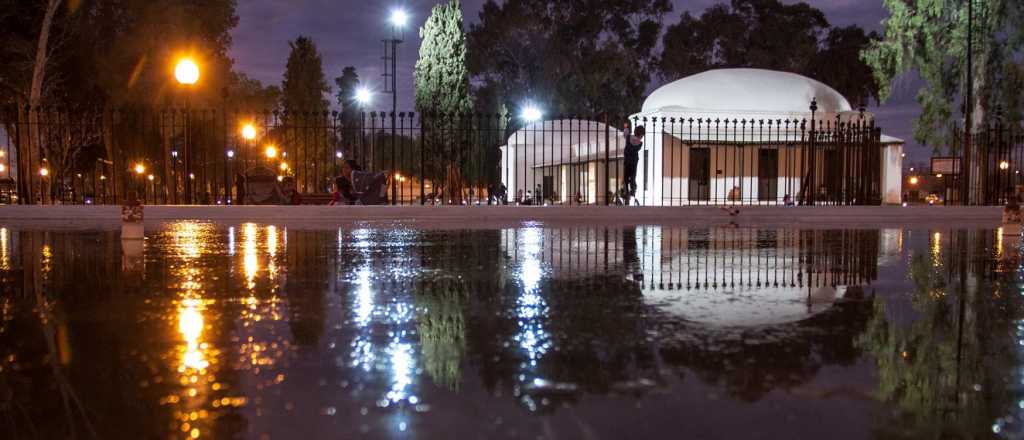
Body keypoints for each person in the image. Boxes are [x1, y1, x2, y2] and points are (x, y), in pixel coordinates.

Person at [623, 122, 644, 203]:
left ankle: (626, 192)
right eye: (642, 135)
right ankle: (632, 191)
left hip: (627, 161)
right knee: (632, 177)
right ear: (641, 135)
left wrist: (626, 127)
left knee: (626, 177)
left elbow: (625, 134)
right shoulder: (640, 143)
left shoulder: (629, 137)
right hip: (634, 162)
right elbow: (634, 147)